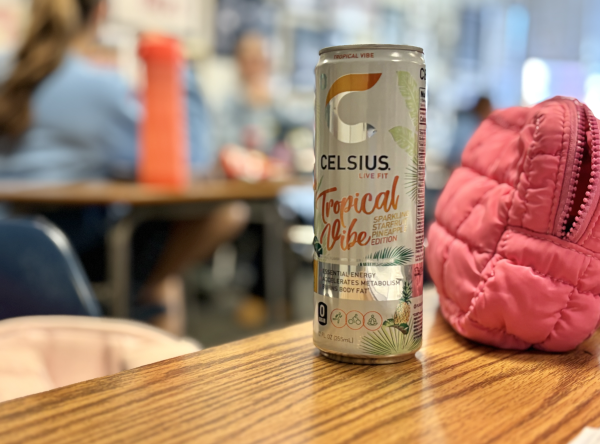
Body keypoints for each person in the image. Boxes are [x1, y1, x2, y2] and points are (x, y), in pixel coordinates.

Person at [0, 0, 249, 335]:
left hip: (11, 239)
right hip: (66, 246)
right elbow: (189, 163)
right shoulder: (100, 85)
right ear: (100, 13)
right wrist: (182, 73)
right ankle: (144, 309)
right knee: (225, 214)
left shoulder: (6, 67)